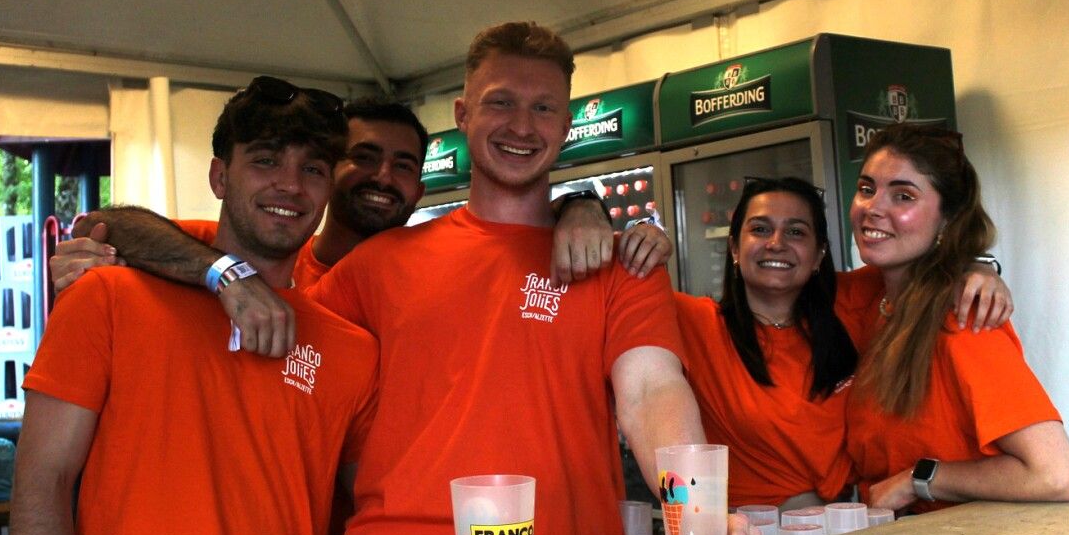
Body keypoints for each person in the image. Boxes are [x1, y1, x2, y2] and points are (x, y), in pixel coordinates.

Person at [310, 21, 780, 535]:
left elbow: (650, 395)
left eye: (543, 108)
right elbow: (299, 389)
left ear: (566, 125)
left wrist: (700, 519)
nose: (521, 126)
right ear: (463, 114)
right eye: (501, 102)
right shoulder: (373, 267)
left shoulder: (623, 265)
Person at [11, 79, 378, 535]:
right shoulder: (106, 297)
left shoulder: (350, 350)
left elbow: (373, 512)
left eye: (312, 169)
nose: (290, 185)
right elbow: (41, 480)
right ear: (219, 176)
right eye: (265, 160)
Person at [49, 97, 667, 356]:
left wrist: (579, 204)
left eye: (403, 166)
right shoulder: (259, 255)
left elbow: (503, 239)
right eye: (363, 157)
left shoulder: (429, 268)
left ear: (419, 191)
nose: (382, 177)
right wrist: (226, 275)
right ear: (329, 170)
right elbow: (110, 223)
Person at [676, 177, 1011, 510]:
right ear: (735, 248)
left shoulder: (849, 304)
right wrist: (649, 232)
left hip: (849, 526)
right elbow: (641, 287)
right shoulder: (696, 322)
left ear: (819, 254)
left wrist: (978, 268)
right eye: (760, 229)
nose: (776, 243)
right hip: (747, 534)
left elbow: (925, 262)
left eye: (796, 232)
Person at [843, 123, 1069, 513]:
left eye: (903, 196)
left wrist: (918, 479)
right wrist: (980, 264)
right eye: (867, 189)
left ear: (947, 219)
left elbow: (1055, 475)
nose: (874, 207)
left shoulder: (965, 320)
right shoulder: (868, 296)